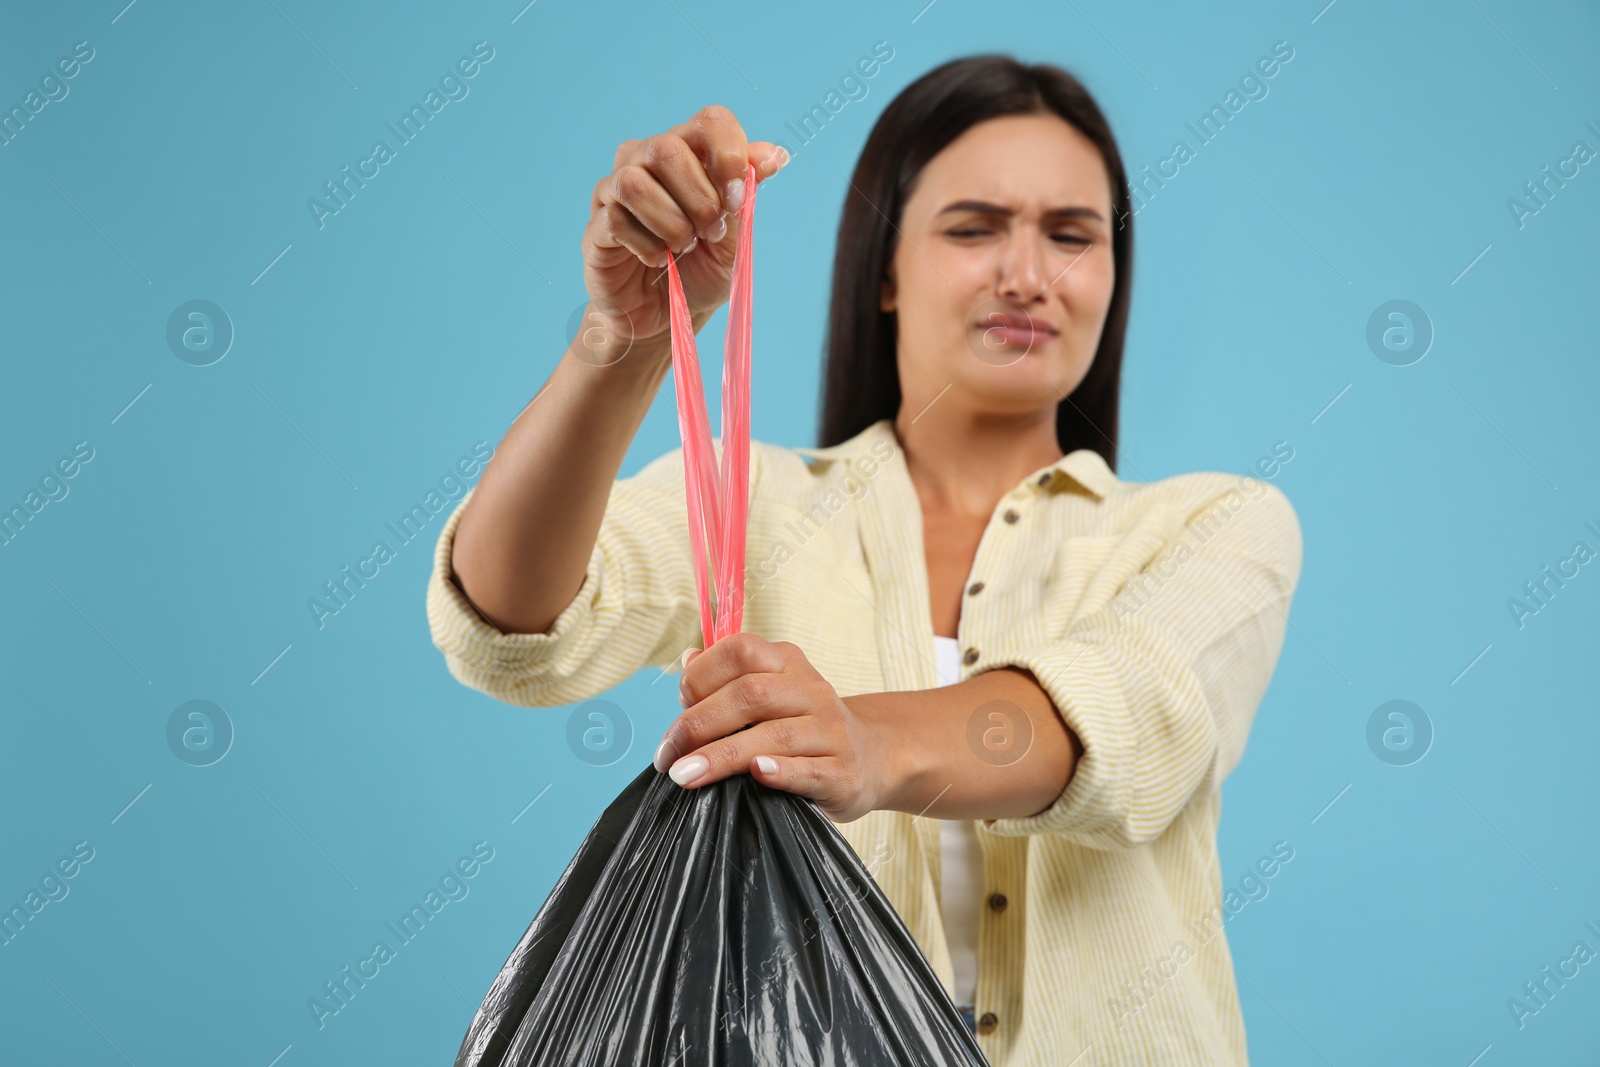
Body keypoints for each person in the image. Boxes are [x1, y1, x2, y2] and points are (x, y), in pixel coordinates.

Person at [427, 54, 1302, 1066]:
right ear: (883, 266)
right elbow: (509, 629)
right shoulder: (750, 503)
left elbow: (1132, 712)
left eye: (1072, 235)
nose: (1027, 273)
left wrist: (863, 740)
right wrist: (623, 339)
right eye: (973, 228)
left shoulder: (1216, 524)